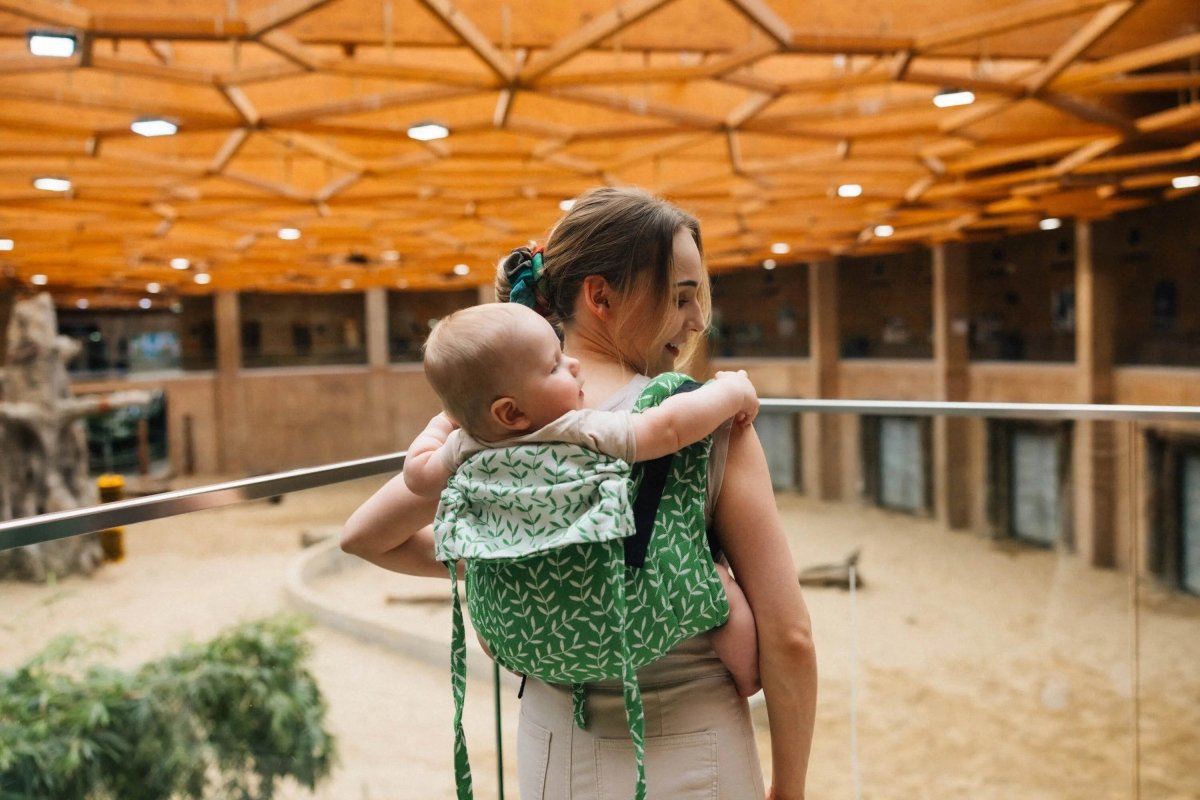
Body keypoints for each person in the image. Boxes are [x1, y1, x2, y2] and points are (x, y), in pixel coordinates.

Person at [343, 186, 817, 799]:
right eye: (680, 297)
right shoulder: (699, 418)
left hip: (548, 747)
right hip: (690, 748)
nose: (698, 320)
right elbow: (790, 638)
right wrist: (790, 789)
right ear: (600, 297)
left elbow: (365, 537)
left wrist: (514, 555)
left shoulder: (497, 423)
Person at [403, 300, 761, 697]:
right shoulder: (577, 430)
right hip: (618, 615)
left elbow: (417, 475)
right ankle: (748, 680)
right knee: (717, 583)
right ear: (510, 413)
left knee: (489, 581)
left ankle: (531, 658)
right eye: (554, 366)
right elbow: (667, 428)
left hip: (511, 631)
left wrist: (443, 422)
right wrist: (731, 391)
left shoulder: (464, 448)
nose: (573, 364)